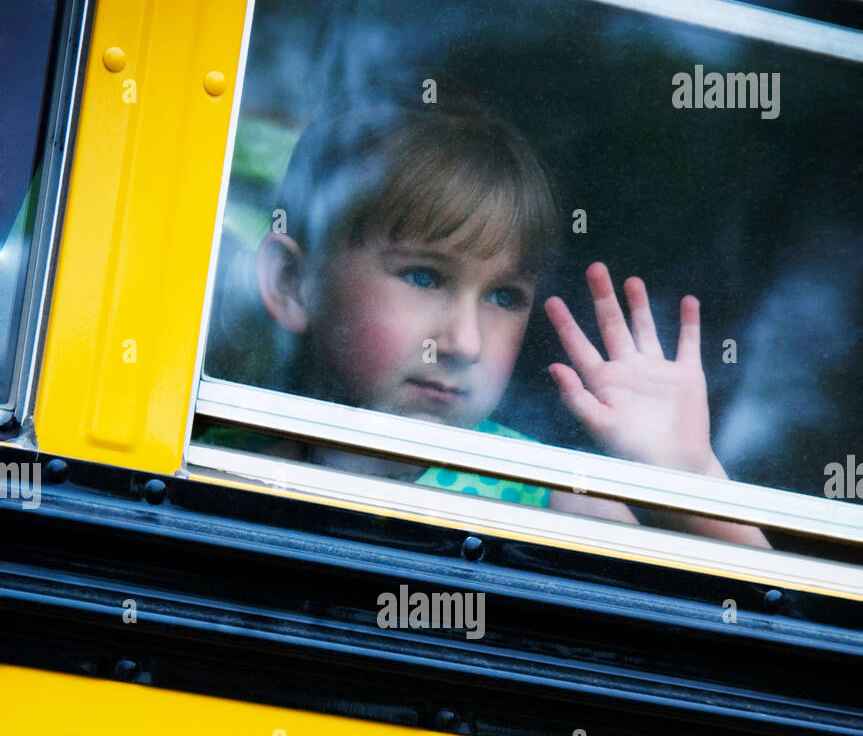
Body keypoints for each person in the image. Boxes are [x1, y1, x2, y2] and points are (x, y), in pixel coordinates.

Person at [212, 92, 769, 548]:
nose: (465, 343)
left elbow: (762, 644)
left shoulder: (548, 495)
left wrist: (688, 477)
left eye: (503, 297)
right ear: (293, 284)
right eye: (425, 278)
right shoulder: (209, 461)